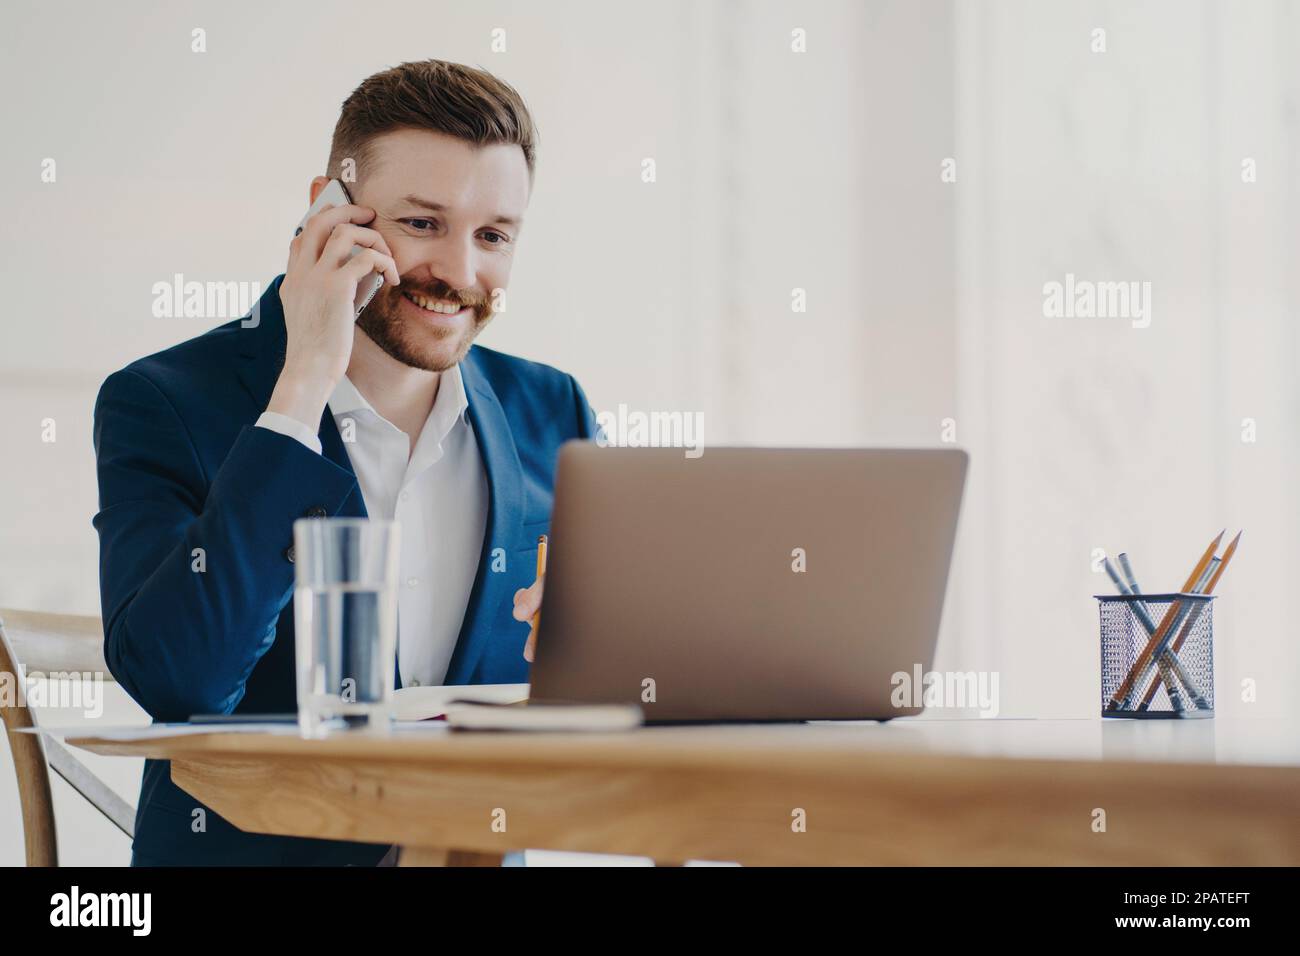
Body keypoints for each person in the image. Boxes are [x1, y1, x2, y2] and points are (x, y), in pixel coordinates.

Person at [92, 59, 590, 866]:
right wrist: (301, 388)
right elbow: (181, 683)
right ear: (330, 209)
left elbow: (580, 691)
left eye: (493, 236)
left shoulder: (551, 410)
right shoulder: (165, 401)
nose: (461, 275)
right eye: (423, 224)